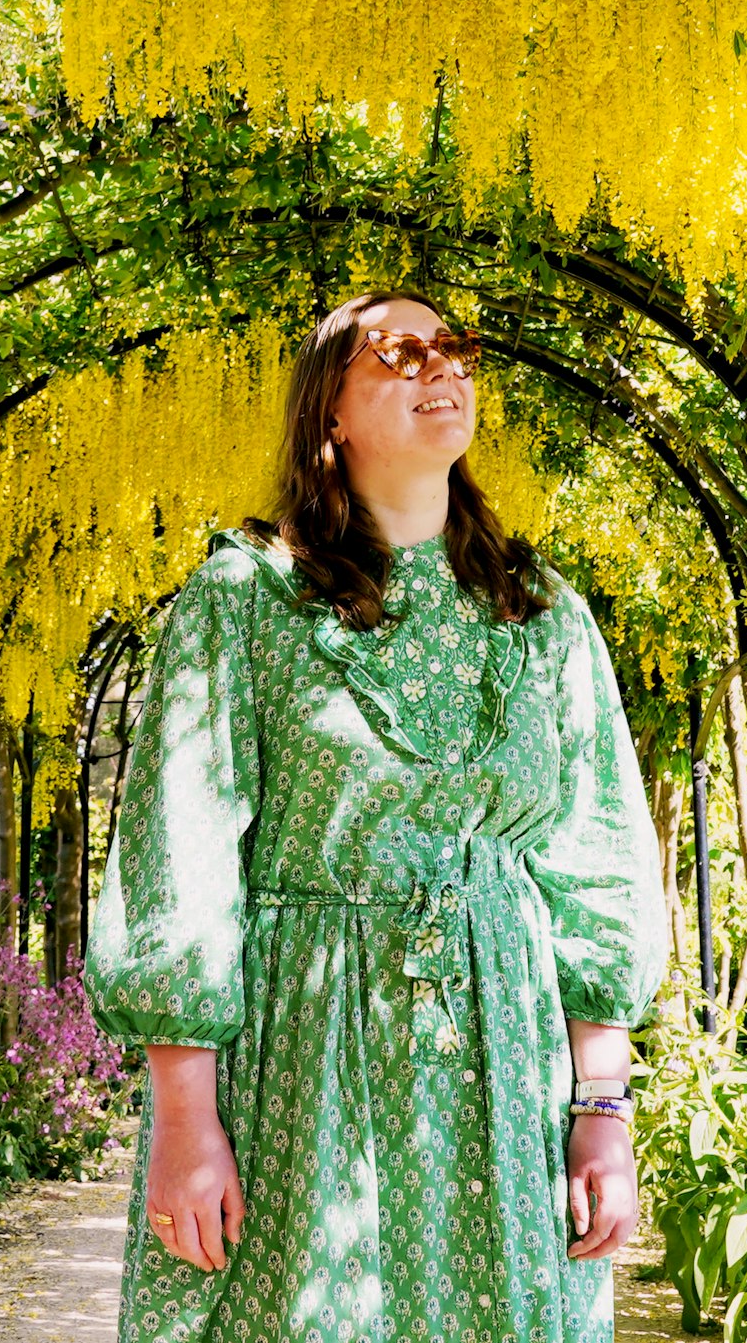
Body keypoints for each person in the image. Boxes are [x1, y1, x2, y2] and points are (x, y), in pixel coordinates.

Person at [85, 292, 670, 1343]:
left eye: (453, 347)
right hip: (303, 1056)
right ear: (332, 415)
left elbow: (598, 861)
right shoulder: (246, 598)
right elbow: (183, 852)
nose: (438, 366)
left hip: (507, 1054)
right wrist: (185, 1121)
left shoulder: (543, 612)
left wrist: (604, 1112)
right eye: (399, 352)